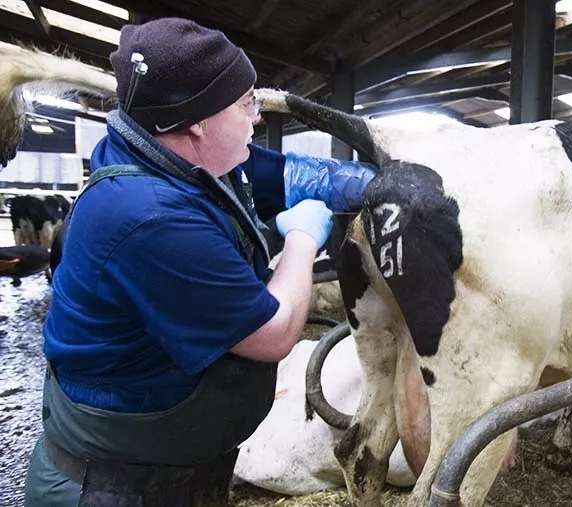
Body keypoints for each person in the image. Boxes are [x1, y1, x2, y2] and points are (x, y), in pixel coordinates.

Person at [23, 17, 375, 507]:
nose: (256, 118)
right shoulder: (146, 216)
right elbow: (275, 334)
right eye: (247, 104)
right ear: (195, 121)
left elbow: (296, 176)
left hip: (176, 471)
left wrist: (378, 178)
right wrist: (300, 239)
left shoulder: (179, 155)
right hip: (112, 489)